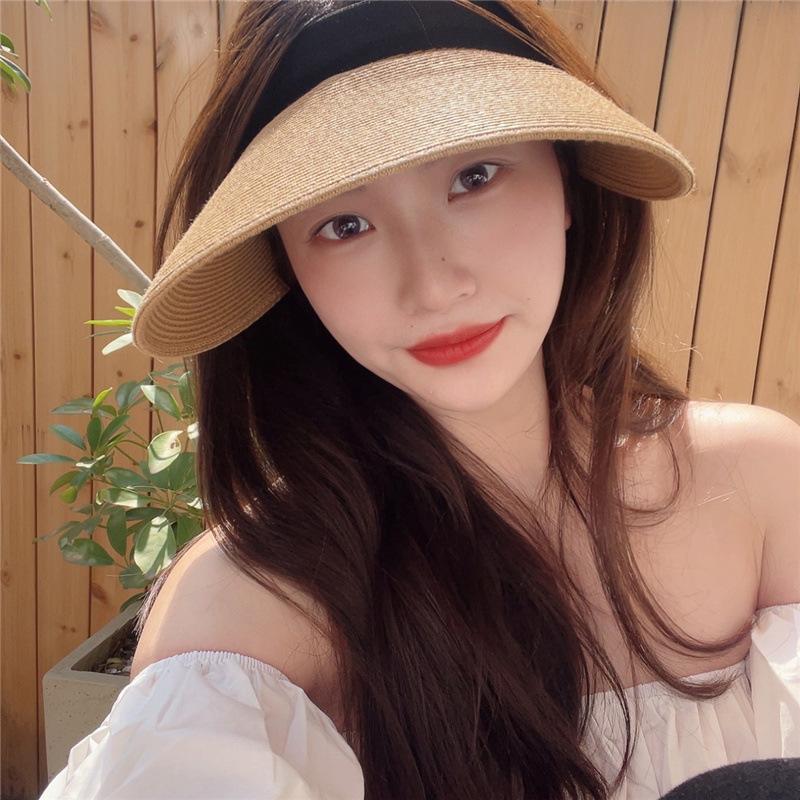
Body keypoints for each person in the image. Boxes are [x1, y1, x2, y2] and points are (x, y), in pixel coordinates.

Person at [39, 1, 800, 799]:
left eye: (474, 177)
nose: (432, 286)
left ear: (568, 181)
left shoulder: (757, 485)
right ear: (289, 271)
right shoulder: (253, 608)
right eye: (344, 224)